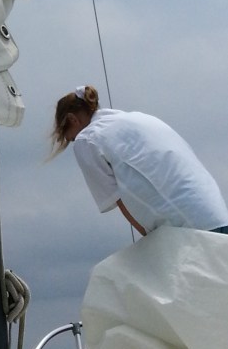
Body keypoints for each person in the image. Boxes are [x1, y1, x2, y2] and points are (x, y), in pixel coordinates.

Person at [51, 84, 228, 236]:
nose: (74, 140)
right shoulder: (138, 118)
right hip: (217, 216)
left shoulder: (87, 139)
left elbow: (120, 204)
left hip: (190, 231)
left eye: (70, 138)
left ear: (72, 120)